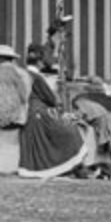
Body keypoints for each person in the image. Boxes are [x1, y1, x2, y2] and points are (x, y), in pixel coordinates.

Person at [17, 43, 87, 179]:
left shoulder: (24, 73)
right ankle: (68, 165)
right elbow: (51, 98)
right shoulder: (36, 77)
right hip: (40, 114)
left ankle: (73, 167)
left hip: (31, 113)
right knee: (69, 129)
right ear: (39, 62)